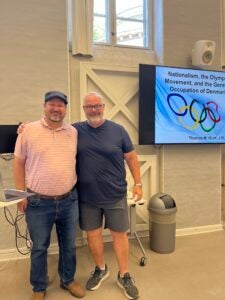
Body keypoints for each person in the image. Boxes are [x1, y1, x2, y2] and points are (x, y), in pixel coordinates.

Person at [13, 91, 85, 300]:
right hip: (37, 201)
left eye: (60, 105)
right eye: (52, 104)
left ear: (65, 109)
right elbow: (18, 163)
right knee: (39, 247)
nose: (56, 109)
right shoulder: (27, 131)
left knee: (69, 245)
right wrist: (20, 195)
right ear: (44, 106)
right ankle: (38, 287)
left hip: (69, 200)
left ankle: (68, 280)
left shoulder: (73, 132)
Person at [73, 92, 143, 300]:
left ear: (103, 107)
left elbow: (131, 157)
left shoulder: (118, 131)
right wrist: (24, 126)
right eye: (89, 106)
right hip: (87, 197)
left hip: (115, 194)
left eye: (98, 106)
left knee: (119, 235)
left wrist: (138, 184)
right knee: (92, 235)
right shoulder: (74, 130)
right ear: (84, 109)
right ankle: (101, 268)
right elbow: (52, 128)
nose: (94, 109)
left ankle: (124, 275)